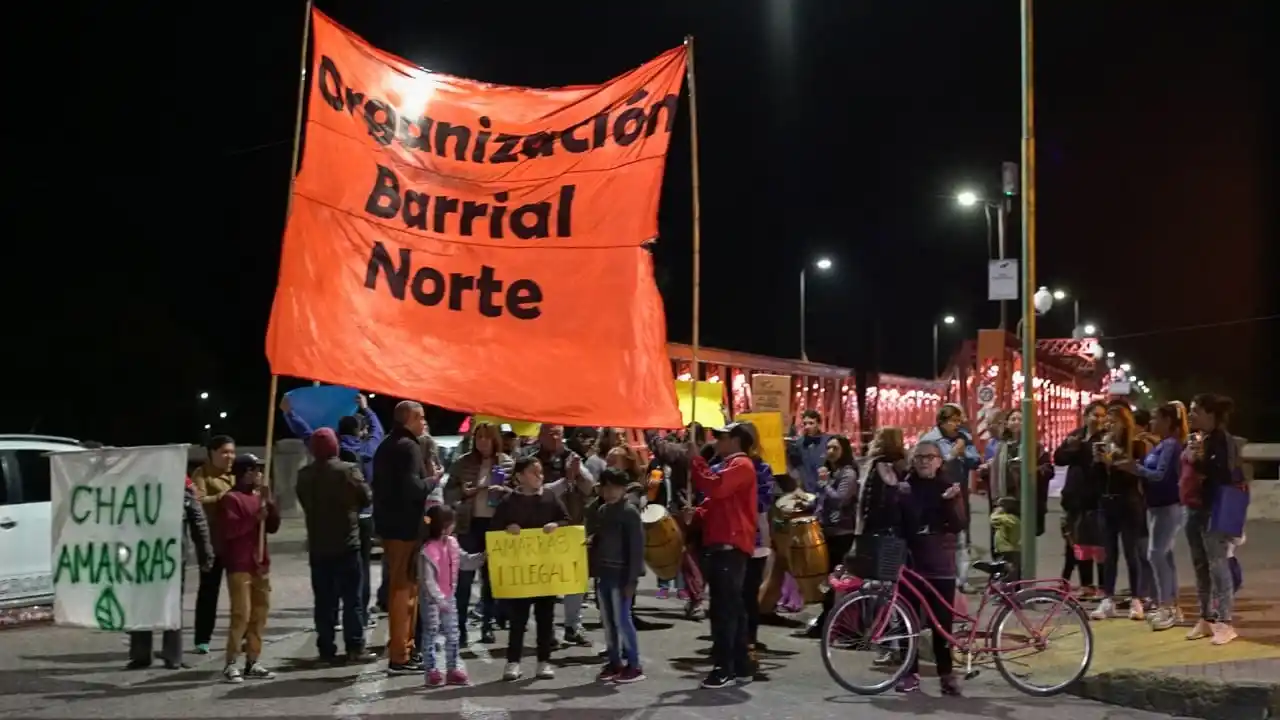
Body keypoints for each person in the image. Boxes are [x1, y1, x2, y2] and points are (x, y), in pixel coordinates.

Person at [281, 392, 385, 619]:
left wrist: (290, 413)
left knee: (332, 569)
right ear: (360, 431)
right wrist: (366, 409)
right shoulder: (367, 451)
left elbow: (307, 434)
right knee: (361, 569)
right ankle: (360, 616)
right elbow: (378, 431)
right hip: (364, 518)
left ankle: (333, 617)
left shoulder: (328, 452)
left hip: (332, 521)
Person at [686, 422, 757, 689]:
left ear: (736, 440)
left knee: (724, 611)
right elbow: (715, 501)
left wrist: (696, 459)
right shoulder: (733, 467)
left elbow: (714, 488)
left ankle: (724, 667)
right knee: (732, 610)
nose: (716, 441)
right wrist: (697, 514)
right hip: (725, 546)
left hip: (729, 547)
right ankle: (740, 666)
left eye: (721, 437)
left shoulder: (741, 466)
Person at [296, 428, 375, 663]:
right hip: (347, 544)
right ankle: (354, 647)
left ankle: (326, 649)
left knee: (324, 602)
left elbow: (304, 501)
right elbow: (366, 497)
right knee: (352, 599)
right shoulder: (348, 471)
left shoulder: (304, 475)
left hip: (319, 547)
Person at [895, 440, 967, 696]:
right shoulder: (905, 488)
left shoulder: (949, 487)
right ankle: (908, 672)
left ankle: (946, 675)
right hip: (912, 564)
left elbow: (959, 524)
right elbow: (898, 523)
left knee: (942, 626)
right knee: (908, 622)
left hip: (940, 566)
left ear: (939, 461)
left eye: (930, 456)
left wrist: (951, 501)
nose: (924, 461)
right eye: (919, 457)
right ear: (913, 461)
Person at [492, 456, 572, 681]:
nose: (539, 476)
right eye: (533, 472)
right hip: (520, 572)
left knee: (546, 617)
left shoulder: (549, 497)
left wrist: (557, 525)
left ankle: (544, 661)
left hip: (545, 570)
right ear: (519, 476)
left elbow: (567, 520)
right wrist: (508, 527)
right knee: (518, 619)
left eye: (540, 472)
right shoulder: (508, 501)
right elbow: (494, 529)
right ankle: (513, 661)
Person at [128, 475, 214, 670]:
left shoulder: (183, 490)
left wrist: (205, 555)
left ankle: (172, 655)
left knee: (171, 605)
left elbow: (199, 523)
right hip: (142, 557)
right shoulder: (138, 489)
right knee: (140, 604)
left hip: (172, 559)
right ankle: (141, 654)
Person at [520, 424, 596, 646]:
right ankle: (548, 630)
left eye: (559, 434)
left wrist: (577, 471)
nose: (555, 438)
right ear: (540, 436)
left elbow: (590, 486)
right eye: (550, 433)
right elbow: (539, 491)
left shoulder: (572, 457)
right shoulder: (532, 461)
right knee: (547, 583)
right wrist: (567, 480)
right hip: (544, 528)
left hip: (572, 525)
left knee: (575, 581)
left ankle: (573, 626)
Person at [372, 401, 431, 675]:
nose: (424, 424)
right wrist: (434, 480)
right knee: (404, 592)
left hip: (391, 527)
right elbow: (414, 488)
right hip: (404, 529)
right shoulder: (408, 447)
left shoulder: (387, 444)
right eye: (421, 419)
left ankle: (404, 649)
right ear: (411, 419)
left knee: (404, 589)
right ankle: (400, 654)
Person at [1117, 402, 1186, 630]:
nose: (1152, 423)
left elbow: (1160, 475)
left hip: (1168, 505)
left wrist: (1135, 469)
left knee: (1156, 554)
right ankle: (1171, 606)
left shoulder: (1170, 445)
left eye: (1156, 418)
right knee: (1164, 556)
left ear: (1167, 421)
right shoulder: (1161, 445)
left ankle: (1166, 606)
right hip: (1156, 506)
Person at [444, 421, 514, 645]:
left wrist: (504, 491)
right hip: (468, 524)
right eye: (478, 437)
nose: (482, 442)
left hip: (495, 525)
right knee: (464, 579)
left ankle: (487, 626)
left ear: (495, 439)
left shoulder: (507, 463)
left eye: (486, 437)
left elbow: (518, 495)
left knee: (491, 579)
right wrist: (463, 493)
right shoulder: (462, 463)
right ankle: (461, 627)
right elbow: (448, 494)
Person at [1184, 393, 1244, 645]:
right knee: (1200, 564)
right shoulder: (1202, 438)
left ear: (1210, 414)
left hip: (1215, 509)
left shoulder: (1223, 440)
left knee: (1218, 565)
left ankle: (1225, 622)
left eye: (1195, 410)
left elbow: (1224, 474)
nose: (1191, 414)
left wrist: (1201, 461)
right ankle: (1206, 618)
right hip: (1196, 507)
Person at [218, 454, 281, 683]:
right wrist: (255, 518)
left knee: (259, 614)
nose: (259, 475)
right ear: (244, 473)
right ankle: (231, 662)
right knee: (241, 614)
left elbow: (273, 526)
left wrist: (270, 503)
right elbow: (230, 530)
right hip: (240, 564)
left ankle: (253, 660)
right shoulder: (230, 499)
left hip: (260, 563)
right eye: (255, 470)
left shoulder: (259, 498)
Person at [1090, 404, 1152, 621]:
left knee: (1131, 552)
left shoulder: (1136, 445)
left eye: (1113, 421)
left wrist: (1112, 463)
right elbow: (1097, 479)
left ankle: (1137, 598)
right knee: (1109, 554)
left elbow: (1135, 475)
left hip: (1129, 503)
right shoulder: (1104, 443)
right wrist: (1098, 463)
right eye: (1107, 421)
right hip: (1107, 504)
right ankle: (1107, 599)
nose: (1108, 425)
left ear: (1125, 423)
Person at [587, 467, 647, 684]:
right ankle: (615, 661)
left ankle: (634, 664)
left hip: (622, 575)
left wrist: (632, 580)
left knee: (622, 620)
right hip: (604, 574)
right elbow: (600, 537)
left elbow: (637, 548)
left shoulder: (630, 512)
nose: (611, 491)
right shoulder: (602, 511)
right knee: (609, 621)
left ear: (624, 488)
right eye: (606, 487)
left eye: (615, 487)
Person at [419, 504, 486, 687]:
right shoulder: (428, 549)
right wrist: (438, 599)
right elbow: (427, 580)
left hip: (449, 597)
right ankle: (431, 671)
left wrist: (483, 557)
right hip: (431, 599)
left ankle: (452, 669)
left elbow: (464, 562)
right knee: (431, 633)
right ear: (444, 525)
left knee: (453, 634)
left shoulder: (452, 543)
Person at [918, 404, 980, 592]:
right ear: (942, 422)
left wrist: (965, 453)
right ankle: (938, 575)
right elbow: (925, 466)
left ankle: (962, 579)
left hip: (959, 493)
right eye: (953, 421)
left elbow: (976, 460)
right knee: (939, 537)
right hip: (936, 494)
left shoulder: (964, 438)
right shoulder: (930, 439)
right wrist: (952, 454)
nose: (957, 425)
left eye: (958, 421)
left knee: (962, 536)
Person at [804, 435, 858, 638]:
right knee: (826, 578)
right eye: (828, 448)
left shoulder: (848, 474)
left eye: (835, 448)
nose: (830, 452)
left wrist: (824, 484)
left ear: (844, 450)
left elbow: (840, 500)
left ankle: (832, 622)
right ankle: (827, 619)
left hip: (841, 533)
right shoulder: (833, 472)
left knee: (834, 578)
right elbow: (824, 501)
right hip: (827, 530)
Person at [1055, 401, 1108, 597]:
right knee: (1078, 544)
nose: (1099, 419)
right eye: (1095, 415)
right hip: (1074, 498)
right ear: (1086, 416)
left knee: (1100, 544)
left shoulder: (1105, 438)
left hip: (1097, 498)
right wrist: (1071, 447)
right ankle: (1086, 584)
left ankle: (1103, 586)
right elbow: (1059, 458)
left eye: (1103, 416)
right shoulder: (1076, 435)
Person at [192, 434, 237, 654]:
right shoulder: (201, 475)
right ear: (212, 453)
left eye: (232, 452)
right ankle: (202, 638)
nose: (230, 456)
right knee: (209, 591)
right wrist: (225, 497)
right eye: (224, 452)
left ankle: (243, 636)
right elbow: (199, 503)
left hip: (237, 543)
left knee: (241, 592)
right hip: (213, 544)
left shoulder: (238, 474)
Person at [792, 410, 830, 493]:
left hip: (825, 488)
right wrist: (798, 486)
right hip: (806, 489)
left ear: (819, 424)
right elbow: (797, 467)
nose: (807, 427)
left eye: (811, 423)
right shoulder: (799, 443)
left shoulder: (828, 441)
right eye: (805, 424)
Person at [990, 497, 1022, 579]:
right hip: (1007, 549)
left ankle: (1006, 589)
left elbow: (993, 519)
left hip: (1008, 550)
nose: (996, 508)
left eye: (998, 506)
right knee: (1008, 571)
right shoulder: (1010, 518)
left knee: (1007, 572)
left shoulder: (1009, 519)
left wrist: (997, 512)